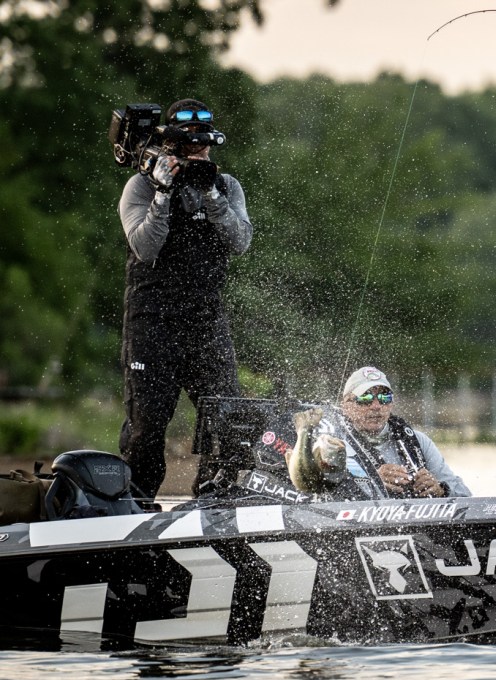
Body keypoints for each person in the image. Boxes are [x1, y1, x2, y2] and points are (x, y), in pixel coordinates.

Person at [117, 98, 253, 503]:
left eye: (203, 146)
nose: (198, 153)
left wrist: (210, 193)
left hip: (205, 320)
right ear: (171, 144)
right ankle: (135, 507)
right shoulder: (141, 185)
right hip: (153, 322)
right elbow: (144, 247)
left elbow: (240, 241)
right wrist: (163, 192)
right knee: (147, 427)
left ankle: (214, 501)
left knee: (229, 421)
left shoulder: (226, 186)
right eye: (188, 146)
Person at [286, 366, 471, 498]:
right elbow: (314, 495)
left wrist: (441, 490)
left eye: (384, 397)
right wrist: (372, 481)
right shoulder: (330, 444)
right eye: (365, 398)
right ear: (346, 406)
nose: (376, 406)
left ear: (391, 404)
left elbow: (465, 495)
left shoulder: (418, 441)